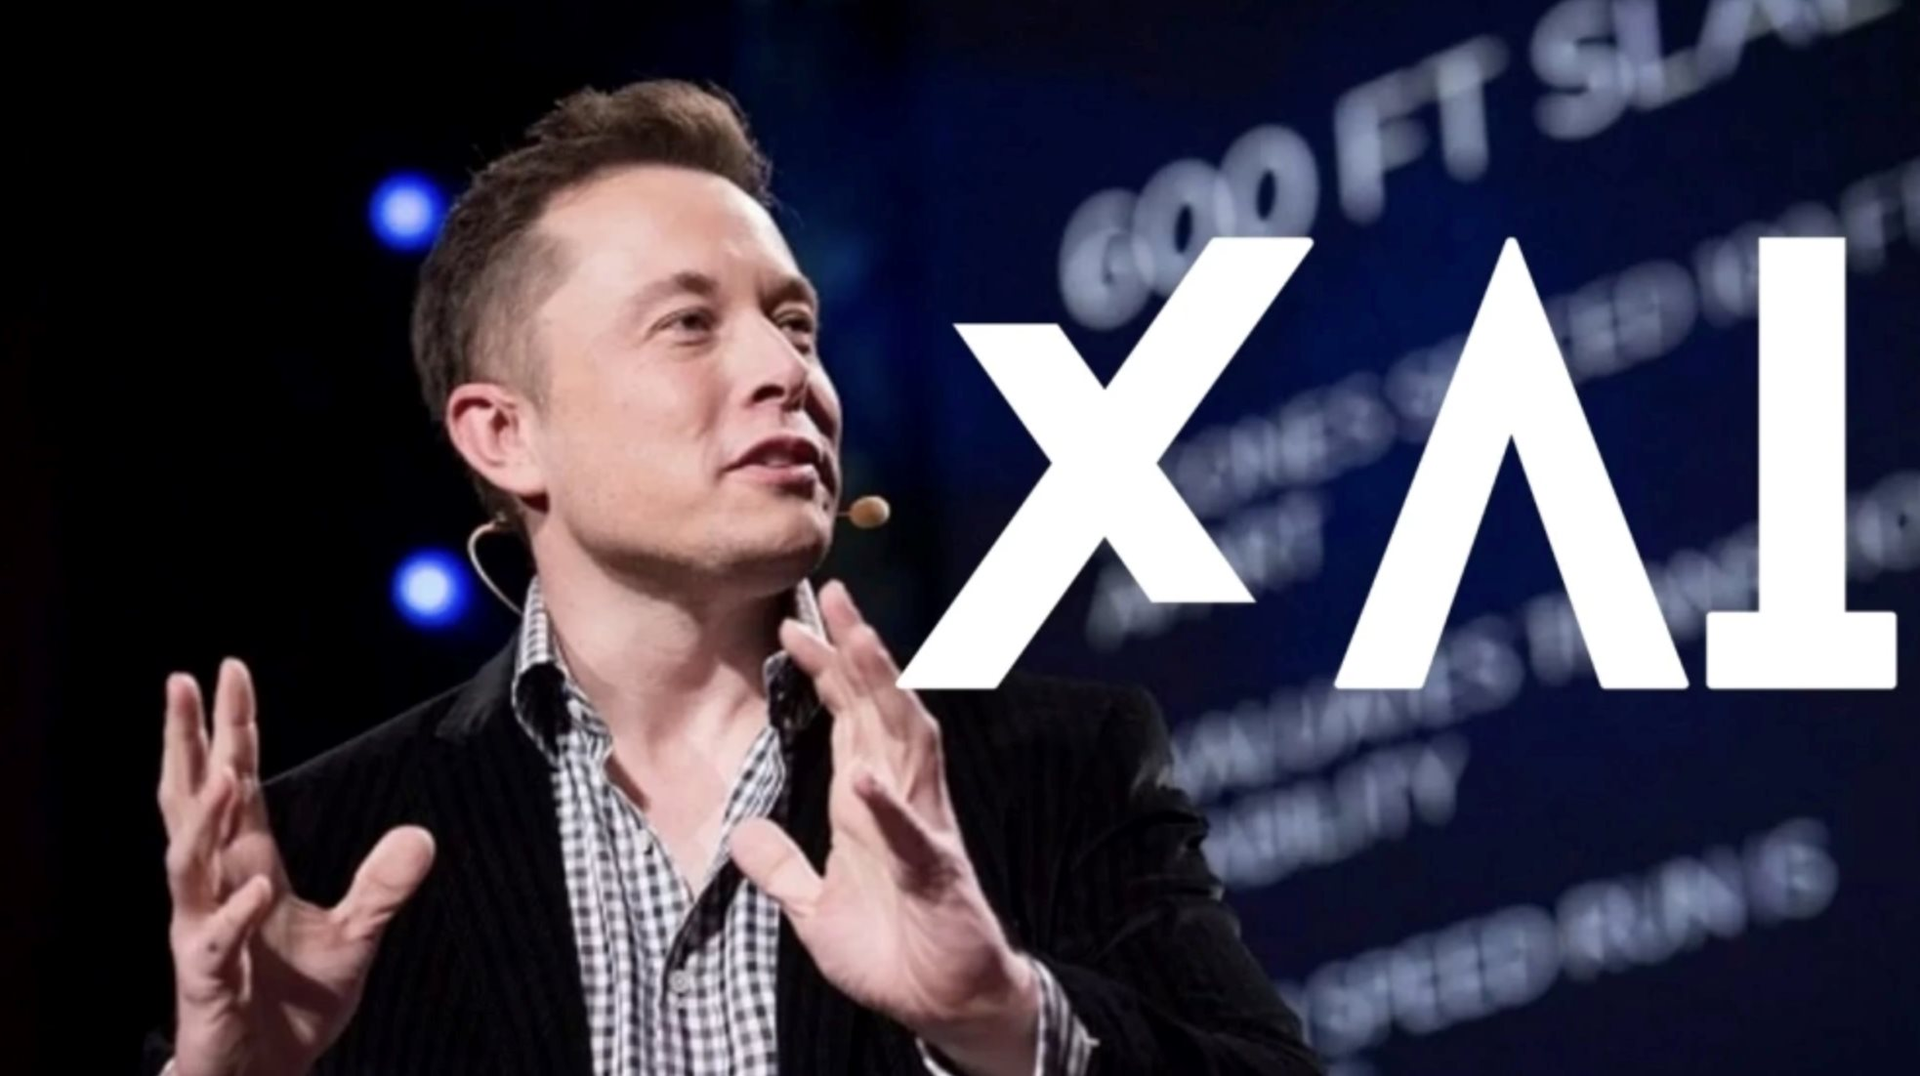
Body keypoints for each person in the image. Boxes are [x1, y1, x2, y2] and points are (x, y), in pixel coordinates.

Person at [144, 79, 1322, 1076]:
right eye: (689, 325)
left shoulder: (1051, 763)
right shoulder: (324, 855)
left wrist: (1003, 1015)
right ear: (504, 434)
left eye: (795, 323)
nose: (787, 370)